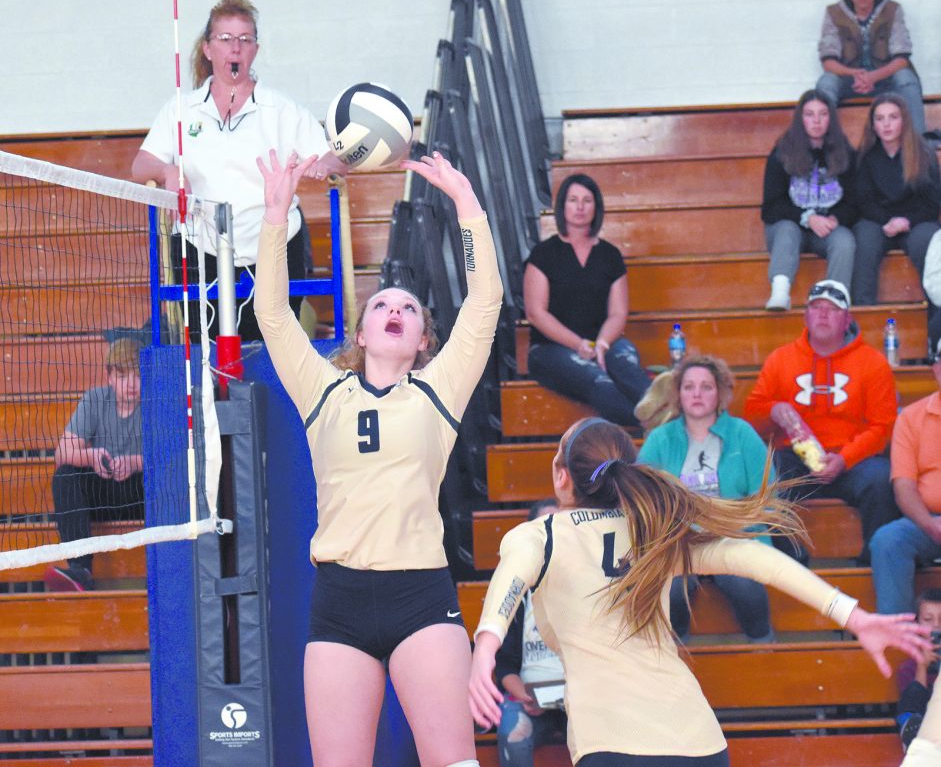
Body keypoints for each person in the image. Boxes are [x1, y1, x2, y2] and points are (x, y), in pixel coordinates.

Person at [468, 417, 931, 767]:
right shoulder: (654, 535)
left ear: (560, 475)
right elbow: (753, 556)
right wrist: (852, 615)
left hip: (614, 744)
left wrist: (486, 647)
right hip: (699, 743)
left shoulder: (544, 534)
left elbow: (510, 581)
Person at [254, 148, 501, 767]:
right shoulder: (323, 392)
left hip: (421, 594)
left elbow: (485, 302)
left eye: (409, 308)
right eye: (382, 306)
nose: (395, 311)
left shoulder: (439, 392)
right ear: (361, 335)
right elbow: (272, 315)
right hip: (338, 598)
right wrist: (276, 213)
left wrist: (467, 204)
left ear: (423, 341)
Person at [131, 0, 344, 342]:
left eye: (245, 40)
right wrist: (168, 172)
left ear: (255, 50)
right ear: (207, 48)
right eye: (226, 39)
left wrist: (323, 165)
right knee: (208, 351)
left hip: (275, 243)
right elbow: (141, 163)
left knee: (275, 349)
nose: (235, 48)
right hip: (200, 246)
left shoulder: (281, 109)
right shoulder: (181, 109)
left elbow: (335, 159)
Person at [743, 279, 898, 565]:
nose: (823, 314)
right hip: (795, 459)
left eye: (833, 309)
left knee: (882, 480)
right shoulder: (780, 359)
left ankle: (872, 564)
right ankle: (790, 564)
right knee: (764, 475)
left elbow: (882, 428)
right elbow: (751, 419)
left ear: (847, 319)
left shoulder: (873, 363)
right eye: (816, 307)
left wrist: (844, 459)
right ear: (805, 316)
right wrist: (773, 410)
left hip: (854, 461)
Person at [638, 356, 774, 643]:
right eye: (688, 387)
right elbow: (642, 498)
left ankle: (763, 647)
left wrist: (740, 531)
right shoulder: (660, 439)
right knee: (673, 590)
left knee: (745, 587)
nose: (696, 394)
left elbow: (768, 493)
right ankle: (675, 654)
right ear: (678, 394)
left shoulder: (742, 434)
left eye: (706, 387)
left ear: (720, 393)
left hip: (734, 536)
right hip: (679, 542)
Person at [523, 173, 650, 426]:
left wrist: (601, 343)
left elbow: (618, 313)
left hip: (603, 342)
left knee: (627, 367)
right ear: (562, 207)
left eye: (587, 200)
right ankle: (662, 427)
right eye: (573, 200)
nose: (580, 207)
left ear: (596, 207)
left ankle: (669, 420)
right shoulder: (543, 254)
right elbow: (536, 314)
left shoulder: (610, 255)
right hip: (551, 350)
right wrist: (578, 344)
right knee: (599, 381)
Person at [45, 338, 144, 592]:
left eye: (137, 375)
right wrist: (91, 457)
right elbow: (62, 453)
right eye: (122, 376)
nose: (131, 384)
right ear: (109, 376)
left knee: (164, 480)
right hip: (103, 495)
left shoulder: (156, 402)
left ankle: (172, 564)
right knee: (65, 475)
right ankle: (81, 570)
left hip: (141, 496)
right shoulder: (95, 399)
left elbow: (173, 458)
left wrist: (135, 462)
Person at [761, 90, 857, 311]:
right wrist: (807, 218)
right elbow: (771, 208)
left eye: (823, 114)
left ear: (831, 119)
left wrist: (836, 218)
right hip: (790, 227)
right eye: (809, 114)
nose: (816, 121)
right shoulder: (782, 153)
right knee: (787, 230)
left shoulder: (845, 153)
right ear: (800, 119)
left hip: (825, 229)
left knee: (844, 241)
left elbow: (854, 202)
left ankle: (835, 302)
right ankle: (780, 293)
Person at [815, 0, 925, 136]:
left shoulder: (892, 10)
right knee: (826, 83)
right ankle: (824, 145)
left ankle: (920, 142)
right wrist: (854, 74)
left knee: (906, 78)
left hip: (884, 80)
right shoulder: (834, 13)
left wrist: (874, 76)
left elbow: (902, 59)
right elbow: (828, 62)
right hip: (851, 82)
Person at [870, 342, 941, 614]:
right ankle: (897, 634)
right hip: (926, 521)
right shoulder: (911, 417)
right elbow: (903, 487)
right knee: (888, 541)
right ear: (936, 369)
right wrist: (930, 525)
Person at [495, 498, 567, 767]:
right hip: (531, 699)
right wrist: (525, 696)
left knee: (601, 730)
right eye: (543, 528)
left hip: (580, 698)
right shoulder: (516, 592)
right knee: (513, 732)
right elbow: (504, 666)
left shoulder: (587, 585)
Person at [851, 93, 940, 306]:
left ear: (904, 121)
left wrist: (906, 221)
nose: (886, 124)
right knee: (864, 238)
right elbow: (863, 202)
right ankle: (863, 311)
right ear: (873, 125)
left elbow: (932, 202)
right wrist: (887, 221)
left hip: (916, 221)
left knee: (927, 241)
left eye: (893, 117)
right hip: (878, 221)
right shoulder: (865, 156)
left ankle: (935, 314)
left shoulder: (923, 153)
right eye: (880, 118)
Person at [896, 590, 941, 752]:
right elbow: (913, 703)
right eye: (928, 620)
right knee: (913, 693)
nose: (936, 625)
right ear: (917, 625)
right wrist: (922, 666)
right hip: (924, 736)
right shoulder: (909, 668)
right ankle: (913, 737)